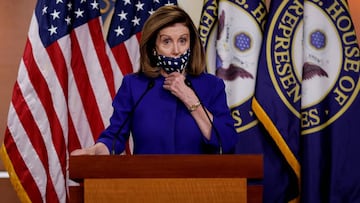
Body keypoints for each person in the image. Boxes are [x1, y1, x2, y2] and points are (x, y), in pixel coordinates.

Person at [71, 5, 237, 156]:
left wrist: (190, 99)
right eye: (167, 42)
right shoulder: (135, 86)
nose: (176, 50)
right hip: (147, 185)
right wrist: (94, 151)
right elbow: (114, 138)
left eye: (182, 41)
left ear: (191, 44)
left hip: (199, 186)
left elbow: (227, 142)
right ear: (153, 47)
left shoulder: (211, 86)